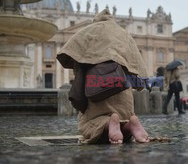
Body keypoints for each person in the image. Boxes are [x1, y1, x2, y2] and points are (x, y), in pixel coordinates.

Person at [57, 9, 149, 144]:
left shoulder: (87, 32)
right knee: (125, 117)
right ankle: (131, 124)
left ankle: (108, 123)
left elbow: (70, 54)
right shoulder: (124, 35)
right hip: (122, 89)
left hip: (97, 88)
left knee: (89, 124)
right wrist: (138, 83)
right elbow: (140, 69)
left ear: (96, 21)